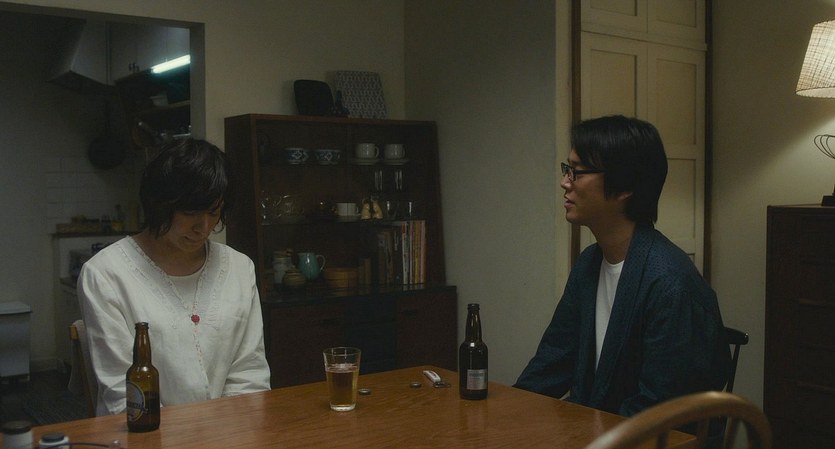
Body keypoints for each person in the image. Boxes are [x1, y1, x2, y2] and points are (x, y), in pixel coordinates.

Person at [514, 115, 731, 418]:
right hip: (597, 430)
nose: (565, 182)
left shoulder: (670, 283)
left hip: (645, 436)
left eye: (577, 172)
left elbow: (657, 408)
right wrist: (504, 415)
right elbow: (553, 361)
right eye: (567, 169)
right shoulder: (590, 262)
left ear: (624, 187)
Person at [78, 138, 271, 416]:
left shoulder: (239, 268)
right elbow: (123, 394)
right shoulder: (106, 274)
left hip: (232, 431)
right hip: (144, 432)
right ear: (160, 204)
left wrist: (229, 432)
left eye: (213, 212)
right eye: (190, 212)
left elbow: (249, 374)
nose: (203, 227)